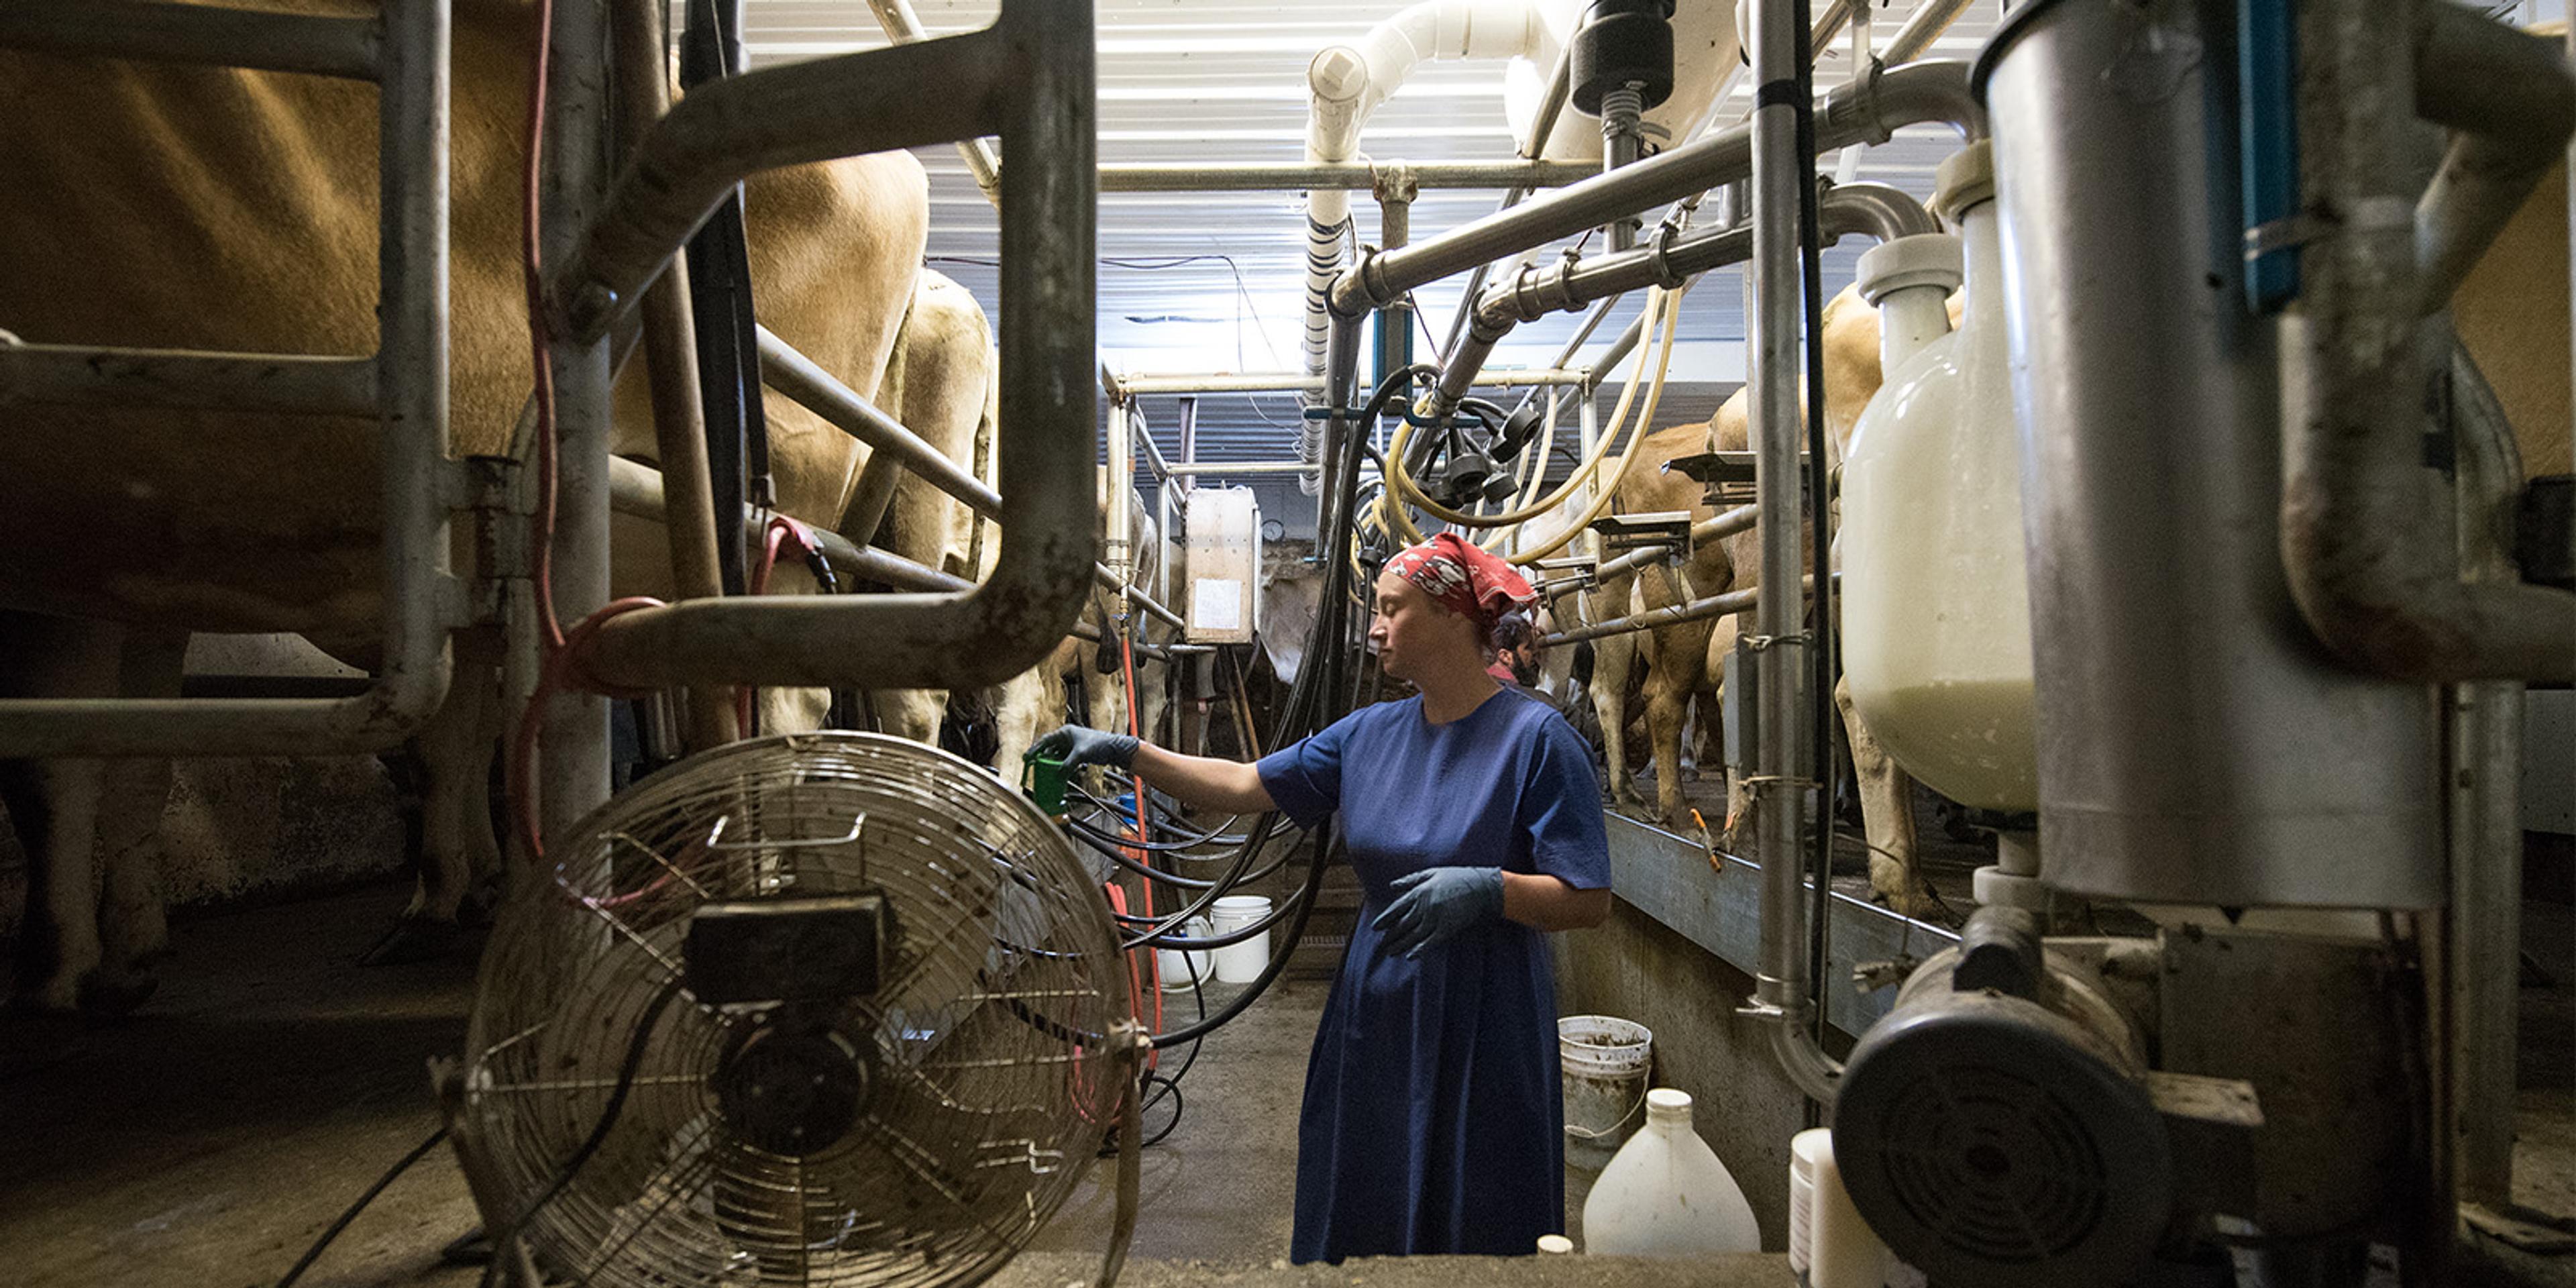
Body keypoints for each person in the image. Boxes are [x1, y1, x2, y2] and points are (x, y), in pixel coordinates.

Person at [1032, 531, 1612, 1263]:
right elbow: (1246, 785)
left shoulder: (1539, 740)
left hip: (1485, 1011)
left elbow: (1588, 899)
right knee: (1365, 1182)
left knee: (1479, 1192)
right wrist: (1128, 752)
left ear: (1454, 618)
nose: (1373, 627)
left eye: (1391, 609)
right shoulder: (1368, 734)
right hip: (1378, 1003)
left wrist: (1492, 890)